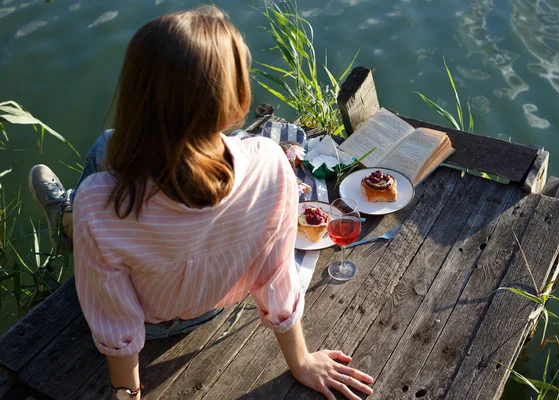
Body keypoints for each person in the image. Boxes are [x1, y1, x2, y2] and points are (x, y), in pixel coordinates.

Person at [28, 6, 374, 400]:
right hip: (216, 304)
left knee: (105, 146)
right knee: (109, 160)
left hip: (149, 322)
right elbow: (277, 274)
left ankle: (67, 219)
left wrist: (126, 395)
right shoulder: (271, 163)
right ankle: (73, 221)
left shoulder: (100, 203)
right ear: (235, 98)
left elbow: (117, 322)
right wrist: (302, 361)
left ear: (137, 95)